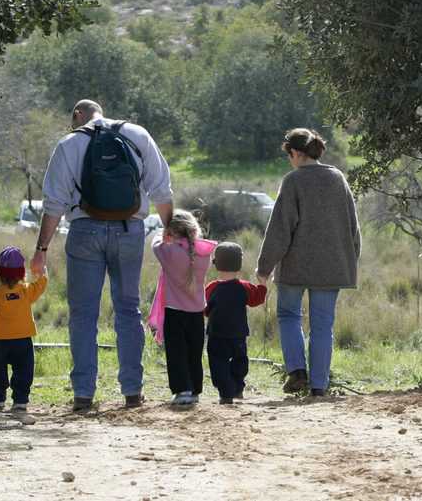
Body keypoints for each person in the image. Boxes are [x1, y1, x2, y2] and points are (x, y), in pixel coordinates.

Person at [31, 99, 173, 412]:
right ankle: (132, 392)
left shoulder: (69, 144)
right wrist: (171, 232)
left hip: (84, 232)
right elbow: (162, 191)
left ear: (78, 115)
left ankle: (83, 394)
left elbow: (53, 203)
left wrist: (41, 250)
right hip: (129, 231)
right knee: (127, 308)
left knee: (83, 314)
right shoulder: (137, 134)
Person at [257, 128, 361, 396]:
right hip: (332, 267)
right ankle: (318, 387)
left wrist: (264, 268)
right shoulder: (338, 178)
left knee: (288, 315)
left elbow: (280, 229)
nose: (289, 160)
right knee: (322, 325)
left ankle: (297, 372)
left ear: (296, 153)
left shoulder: (293, 181)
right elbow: (353, 226)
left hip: (295, 266)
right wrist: (349, 261)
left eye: (289, 155)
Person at [0, 247, 48, 413]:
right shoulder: (26, 291)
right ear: (22, 273)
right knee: (24, 371)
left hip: (2, 342)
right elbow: (40, 285)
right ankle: (20, 402)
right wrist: (43, 272)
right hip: (23, 341)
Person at [152, 210, 213, 406]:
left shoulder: (169, 253)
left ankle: (182, 390)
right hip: (197, 313)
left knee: (176, 351)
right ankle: (195, 389)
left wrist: (163, 234)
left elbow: (155, 244)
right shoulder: (203, 254)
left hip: (174, 311)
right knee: (194, 352)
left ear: (171, 232)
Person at [205, 242, 267, 404]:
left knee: (218, 362)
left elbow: (203, 309)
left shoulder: (211, 288)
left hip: (216, 334)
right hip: (238, 334)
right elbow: (257, 299)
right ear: (239, 266)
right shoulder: (245, 287)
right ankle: (238, 387)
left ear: (216, 264)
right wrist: (262, 283)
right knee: (240, 360)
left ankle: (226, 393)